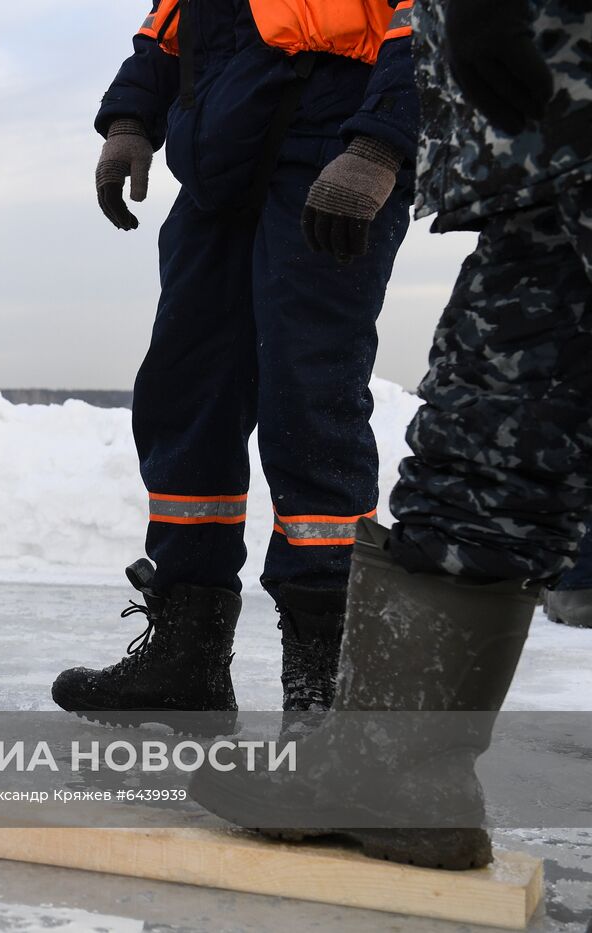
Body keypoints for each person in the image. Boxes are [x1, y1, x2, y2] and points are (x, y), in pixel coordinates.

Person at [191, 0, 590, 869]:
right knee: (482, 439)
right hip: (538, 158)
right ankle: (397, 771)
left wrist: (379, 139)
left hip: (559, 107)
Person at [53, 0, 418, 725]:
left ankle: (325, 684)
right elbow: (176, 24)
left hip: (333, 140)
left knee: (307, 399)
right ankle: (186, 653)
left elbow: (429, 17)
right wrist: (131, 116)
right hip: (221, 152)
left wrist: (381, 142)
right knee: (185, 396)